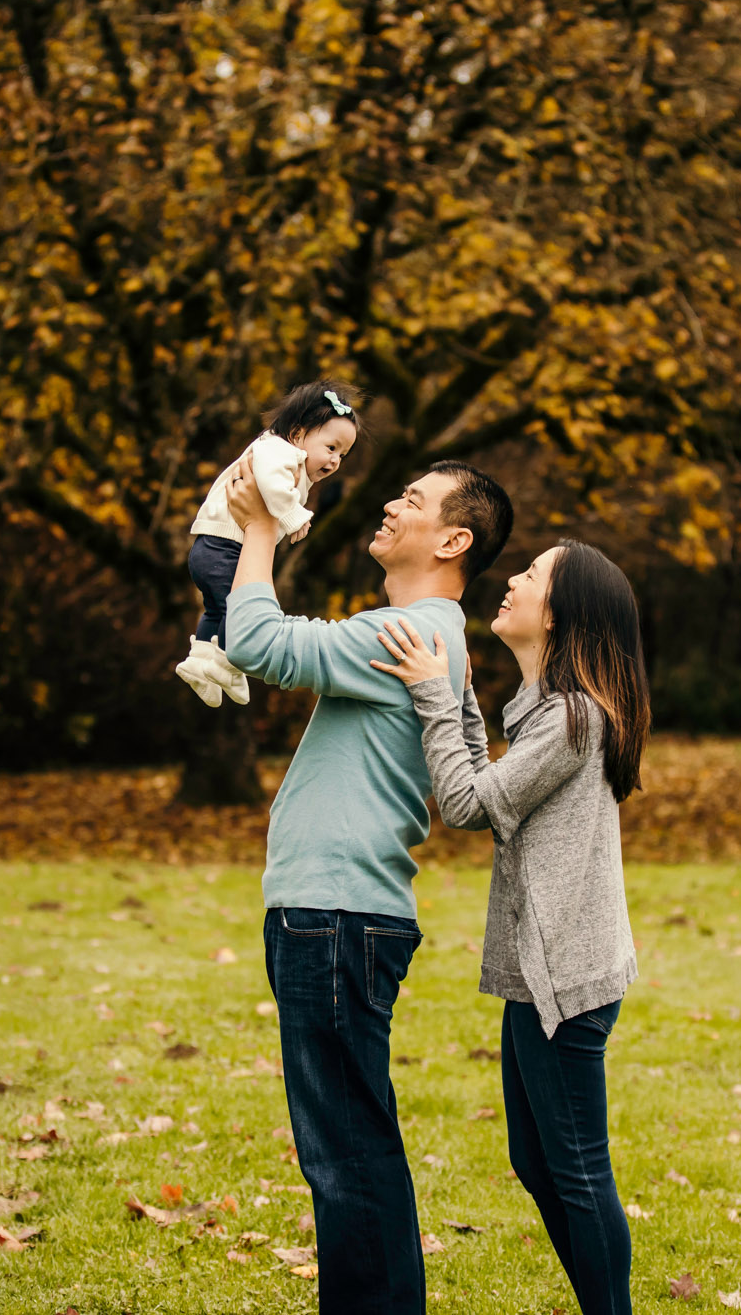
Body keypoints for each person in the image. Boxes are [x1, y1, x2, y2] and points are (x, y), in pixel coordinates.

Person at [219, 452, 514, 1314]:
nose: (389, 505)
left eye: (412, 501)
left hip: (338, 914)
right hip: (336, 913)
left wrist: (261, 528)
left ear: (452, 538)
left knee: (346, 1149)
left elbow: (256, 641)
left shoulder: (409, 634)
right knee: (348, 1142)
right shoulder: (422, 635)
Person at [369, 539, 650, 1315]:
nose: (513, 580)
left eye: (531, 575)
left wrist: (434, 694)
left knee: (577, 1167)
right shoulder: (547, 711)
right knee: (539, 1159)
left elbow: (465, 804)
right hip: (546, 970)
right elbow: (485, 785)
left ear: (558, 612)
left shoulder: (571, 718)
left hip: (564, 975)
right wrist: (454, 690)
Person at [175, 381, 361, 707]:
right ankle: (228, 664)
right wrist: (293, 516)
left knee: (219, 608)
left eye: (343, 455)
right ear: (298, 434)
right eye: (331, 448)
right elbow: (271, 484)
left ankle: (200, 662)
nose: (335, 461)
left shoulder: (286, 454)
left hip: (213, 549)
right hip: (223, 549)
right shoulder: (277, 450)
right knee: (240, 611)